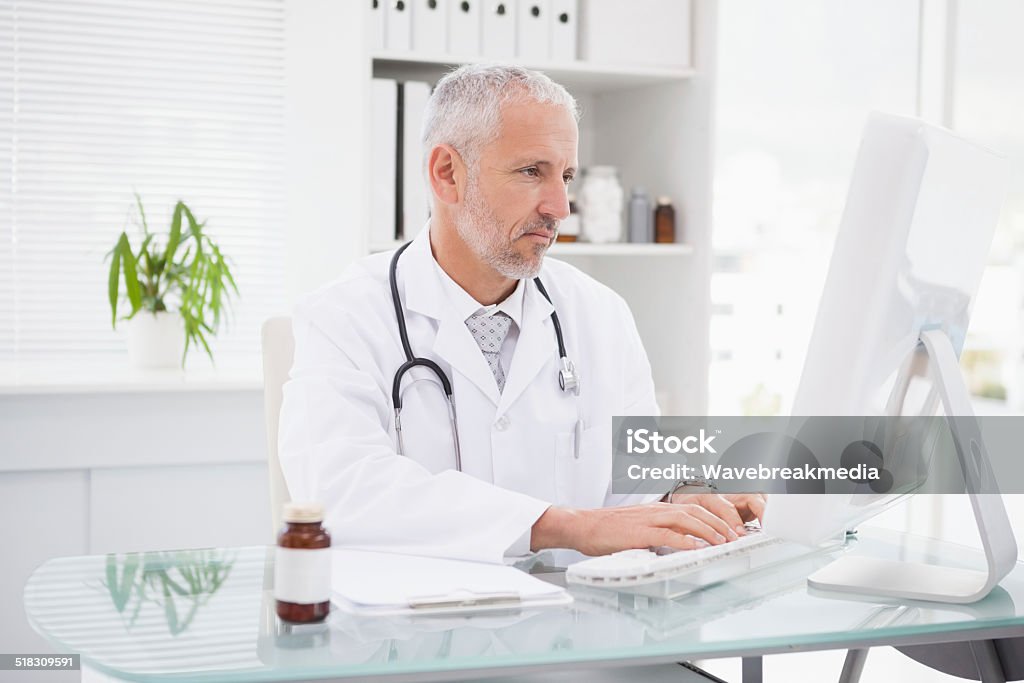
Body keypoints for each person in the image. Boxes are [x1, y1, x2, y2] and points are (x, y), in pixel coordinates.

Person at [279, 64, 764, 564]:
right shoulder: (344, 316)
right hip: (411, 632)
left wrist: (679, 499)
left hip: (577, 629)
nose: (560, 207)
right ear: (447, 173)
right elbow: (340, 494)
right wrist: (566, 527)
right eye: (532, 171)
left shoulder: (600, 314)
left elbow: (635, 483)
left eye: (567, 175)